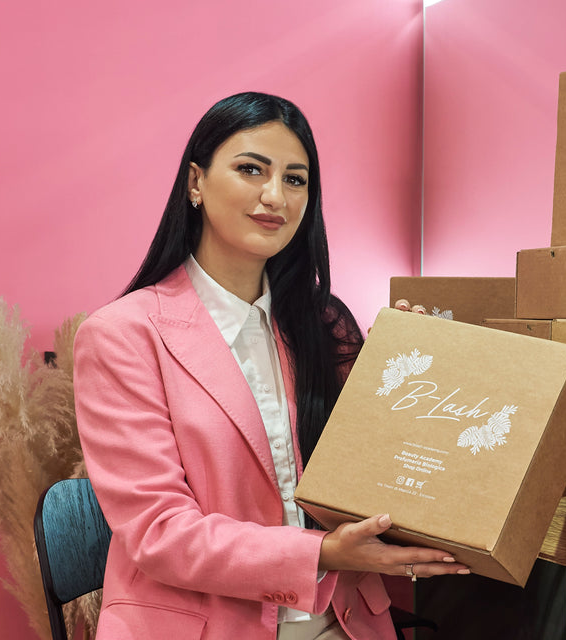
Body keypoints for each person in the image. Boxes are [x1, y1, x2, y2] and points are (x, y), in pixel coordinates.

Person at [72, 92, 469, 640]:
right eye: (251, 169)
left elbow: (373, 471)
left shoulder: (326, 324)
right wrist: (322, 552)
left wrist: (404, 375)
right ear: (195, 182)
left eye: (295, 179)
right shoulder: (122, 336)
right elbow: (160, 533)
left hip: (345, 621)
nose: (275, 196)